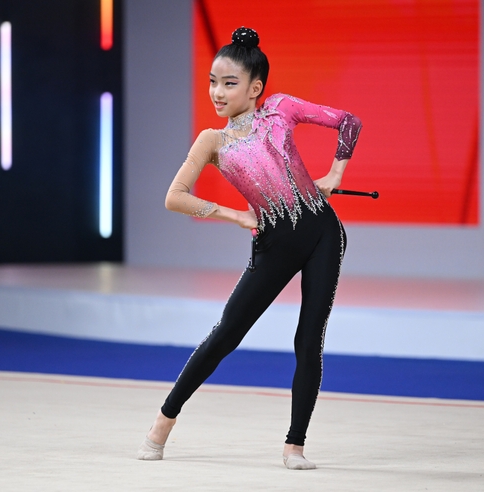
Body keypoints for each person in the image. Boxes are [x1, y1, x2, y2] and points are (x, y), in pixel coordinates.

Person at [136, 26, 362, 470]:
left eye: (229, 83)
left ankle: (294, 446)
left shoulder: (280, 110)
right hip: (273, 243)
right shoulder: (212, 141)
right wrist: (235, 215)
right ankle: (162, 424)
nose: (217, 92)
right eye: (212, 82)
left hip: (322, 234)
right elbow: (174, 196)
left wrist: (336, 174)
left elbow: (348, 121)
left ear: (256, 88)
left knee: (308, 339)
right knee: (225, 335)